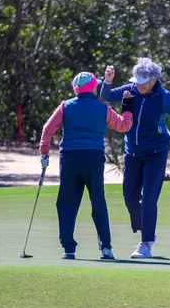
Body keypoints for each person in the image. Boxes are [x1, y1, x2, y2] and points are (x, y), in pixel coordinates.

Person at [100, 58, 170, 258]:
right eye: (136, 81)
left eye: (142, 82)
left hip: (156, 152)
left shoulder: (163, 96)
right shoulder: (131, 89)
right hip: (132, 152)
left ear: (153, 80)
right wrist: (108, 80)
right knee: (129, 197)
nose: (138, 85)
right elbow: (106, 95)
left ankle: (145, 243)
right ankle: (144, 226)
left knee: (149, 199)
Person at [39, 71, 134, 260]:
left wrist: (44, 153)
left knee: (66, 202)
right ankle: (106, 248)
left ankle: (68, 249)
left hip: (70, 159)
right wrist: (128, 106)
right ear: (93, 88)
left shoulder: (65, 106)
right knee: (98, 200)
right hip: (93, 157)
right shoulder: (103, 109)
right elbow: (125, 125)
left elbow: (47, 130)